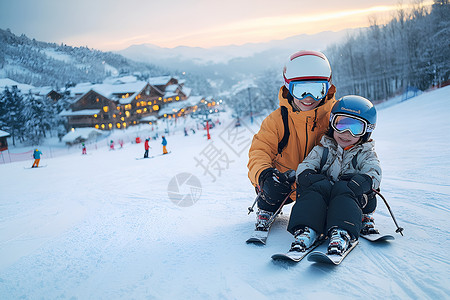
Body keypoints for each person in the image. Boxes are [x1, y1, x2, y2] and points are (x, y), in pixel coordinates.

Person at [247, 50, 337, 230]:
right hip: (285, 185)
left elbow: (356, 144)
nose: (309, 98)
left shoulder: (335, 115)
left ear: (327, 87)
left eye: (317, 90)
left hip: (321, 185)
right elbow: (259, 151)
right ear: (288, 87)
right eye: (301, 90)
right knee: (270, 187)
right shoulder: (277, 120)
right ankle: (267, 206)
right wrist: (264, 175)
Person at [287, 95, 381, 255]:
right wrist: (307, 175)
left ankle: (342, 231)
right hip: (324, 201)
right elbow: (307, 165)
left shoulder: (366, 154)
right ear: (332, 123)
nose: (346, 133)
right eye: (341, 124)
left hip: (354, 199)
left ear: (367, 131)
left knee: (345, 188)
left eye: (355, 128)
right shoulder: (322, 149)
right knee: (317, 188)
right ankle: (306, 229)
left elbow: (374, 171)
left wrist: (365, 181)